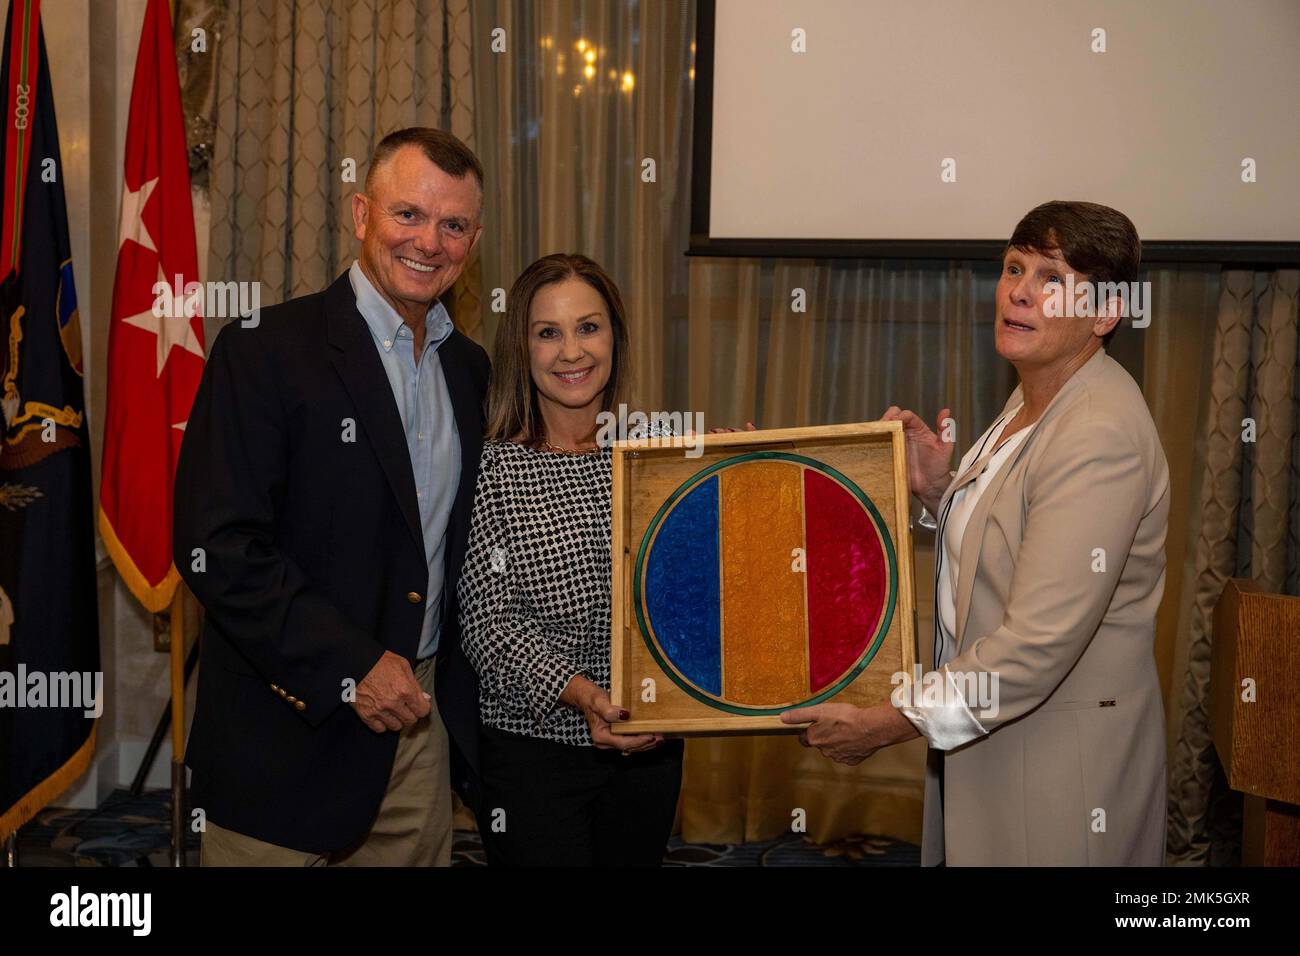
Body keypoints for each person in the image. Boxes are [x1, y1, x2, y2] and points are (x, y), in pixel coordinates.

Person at [784, 201, 1169, 866]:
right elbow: (1015, 539)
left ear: (1105, 314)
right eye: (1014, 267)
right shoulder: (1036, 393)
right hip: (998, 746)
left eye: (1052, 278)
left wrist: (890, 721)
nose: (1019, 290)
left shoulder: (1097, 432)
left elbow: (1034, 646)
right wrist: (940, 490)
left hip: (1057, 772)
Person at [174, 127, 489, 866]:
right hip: (286, 737)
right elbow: (216, 545)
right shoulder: (264, 349)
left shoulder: (469, 371)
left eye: (452, 225)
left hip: (418, 740)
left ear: (473, 243)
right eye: (407, 214)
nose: (428, 242)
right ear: (360, 214)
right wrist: (348, 663)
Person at [457, 253, 684, 866]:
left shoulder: (662, 458)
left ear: (615, 336)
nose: (571, 352)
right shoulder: (492, 468)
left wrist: (742, 492)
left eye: (588, 327)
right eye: (548, 332)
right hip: (533, 753)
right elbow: (489, 625)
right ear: (522, 348)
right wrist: (585, 696)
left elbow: (695, 600)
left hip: (648, 738)